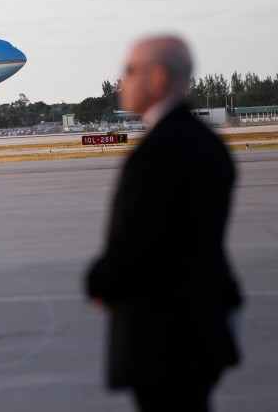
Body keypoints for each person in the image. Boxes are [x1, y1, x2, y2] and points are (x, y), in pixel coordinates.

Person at [85, 36, 242, 412]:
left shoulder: (157, 152)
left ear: (157, 79)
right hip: (206, 324)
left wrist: (98, 282)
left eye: (129, 71)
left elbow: (137, 243)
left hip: (163, 334)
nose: (121, 81)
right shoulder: (209, 143)